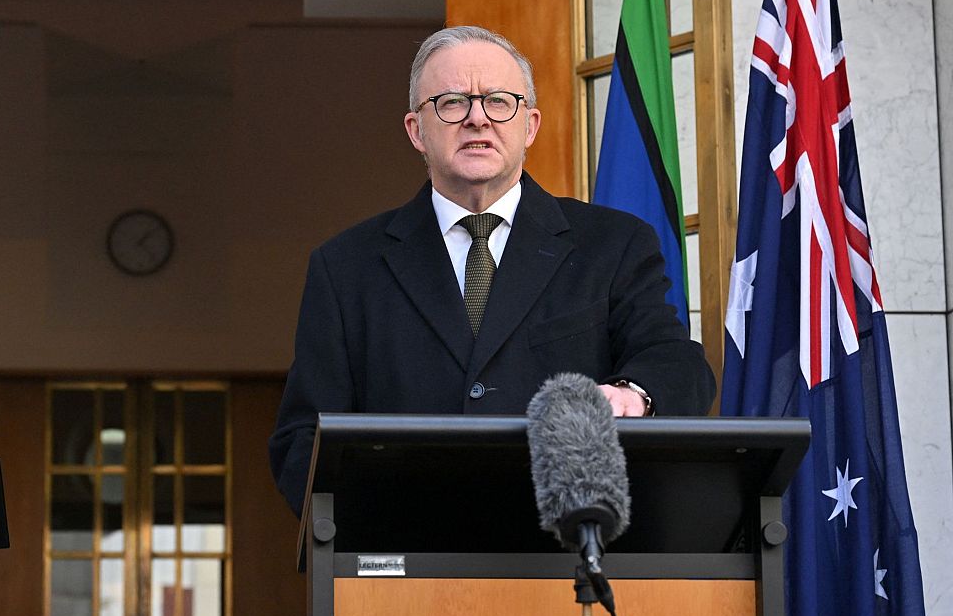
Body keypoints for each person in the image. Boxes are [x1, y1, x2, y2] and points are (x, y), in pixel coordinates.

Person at [268, 26, 714, 514]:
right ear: (417, 130)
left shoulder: (613, 244)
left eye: (499, 101)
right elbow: (301, 441)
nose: (478, 118)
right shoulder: (346, 267)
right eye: (453, 102)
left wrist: (632, 395)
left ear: (530, 125)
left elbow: (677, 364)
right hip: (408, 566)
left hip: (569, 554)